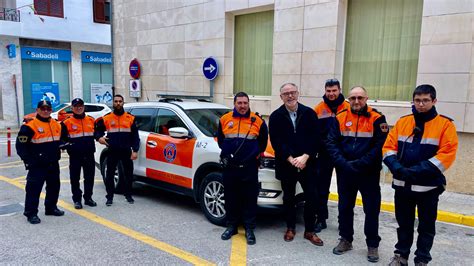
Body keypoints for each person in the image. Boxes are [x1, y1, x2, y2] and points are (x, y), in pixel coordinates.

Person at [383, 84, 458, 266]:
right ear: (413, 101)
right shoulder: (403, 122)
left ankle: (422, 259)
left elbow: (446, 155)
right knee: (404, 225)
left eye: (425, 100)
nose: (421, 104)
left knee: (426, 227)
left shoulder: (445, 125)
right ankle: (401, 256)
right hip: (402, 186)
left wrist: (414, 171)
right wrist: (397, 168)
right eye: (418, 100)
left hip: (428, 188)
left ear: (434, 101)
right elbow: (388, 148)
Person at [326, 86, 388, 262]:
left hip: (368, 173)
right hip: (345, 172)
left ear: (366, 98)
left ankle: (372, 245)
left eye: (360, 98)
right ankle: (346, 239)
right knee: (345, 207)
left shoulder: (377, 118)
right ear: (348, 100)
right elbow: (331, 143)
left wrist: (360, 164)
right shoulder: (340, 118)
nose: (356, 101)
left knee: (371, 209)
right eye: (353, 98)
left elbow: (379, 146)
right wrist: (343, 164)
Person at [269, 82, 323, 246]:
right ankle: (290, 228)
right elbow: (277, 142)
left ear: (298, 93)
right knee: (289, 198)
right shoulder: (275, 116)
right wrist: (290, 158)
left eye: (293, 92)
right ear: (281, 97)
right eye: (286, 93)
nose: (290, 96)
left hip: (308, 164)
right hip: (287, 164)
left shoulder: (309, 113)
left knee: (312, 197)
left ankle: (309, 231)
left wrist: (306, 156)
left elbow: (316, 138)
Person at [218, 92, 268, 245]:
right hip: (231, 168)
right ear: (234, 104)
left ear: (248, 103)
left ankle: (249, 229)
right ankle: (231, 226)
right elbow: (221, 140)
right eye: (239, 103)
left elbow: (263, 142)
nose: (242, 106)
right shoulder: (224, 119)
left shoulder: (258, 121)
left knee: (249, 199)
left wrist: (253, 155)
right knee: (231, 197)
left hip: (249, 167)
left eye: (245, 103)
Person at [16, 100, 65, 224]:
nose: (45, 111)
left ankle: (51, 208)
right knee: (33, 190)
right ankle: (31, 213)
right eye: (42, 109)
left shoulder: (57, 124)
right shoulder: (29, 126)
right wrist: (28, 161)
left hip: (53, 162)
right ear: (37, 110)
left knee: (54, 187)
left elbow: (61, 140)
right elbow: (21, 146)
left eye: (48, 109)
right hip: (37, 164)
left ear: (51, 110)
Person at [313, 78, 350, 233]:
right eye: (328, 91)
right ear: (325, 91)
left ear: (339, 90)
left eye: (334, 90)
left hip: (344, 154)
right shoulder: (318, 109)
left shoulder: (349, 107)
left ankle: (344, 221)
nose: (331, 94)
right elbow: (314, 133)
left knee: (345, 189)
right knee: (322, 188)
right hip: (324, 154)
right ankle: (321, 219)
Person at [95, 94, 140, 206]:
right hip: (112, 150)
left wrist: (135, 150)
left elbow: (135, 136)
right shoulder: (107, 118)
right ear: (113, 103)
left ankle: (128, 195)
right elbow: (97, 130)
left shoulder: (130, 118)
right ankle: (109, 197)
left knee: (128, 174)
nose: (118, 103)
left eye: (120, 101)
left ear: (123, 102)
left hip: (126, 150)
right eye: (116, 101)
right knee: (109, 174)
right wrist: (99, 137)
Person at [61, 98, 97, 209]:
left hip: (89, 154)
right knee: (75, 178)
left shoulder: (91, 120)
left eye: (80, 105)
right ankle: (77, 200)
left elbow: (96, 134)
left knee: (89, 177)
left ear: (84, 107)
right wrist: (67, 146)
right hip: (75, 155)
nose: (79, 108)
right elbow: (61, 139)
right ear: (72, 108)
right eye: (76, 106)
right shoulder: (66, 122)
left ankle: (88, 198)